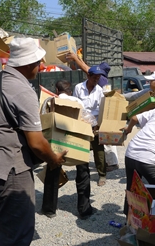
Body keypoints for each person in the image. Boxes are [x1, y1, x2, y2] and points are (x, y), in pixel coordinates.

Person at [0, 37, 67, 246]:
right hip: (8, 170)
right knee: (18, 235)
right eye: (38, 63)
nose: (40, 67)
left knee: (4, 226)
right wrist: (54, 160)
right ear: (30, 64)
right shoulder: (23, 91)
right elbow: (37, 144)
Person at [42, 80, 96, 220]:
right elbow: (86, 120)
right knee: (83, 173)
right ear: (70, 91)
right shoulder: (78, 102)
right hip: (77, 144)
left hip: (57, 144)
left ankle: (49, 209)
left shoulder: (50, 101)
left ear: (56, 89)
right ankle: (84, 209)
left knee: (52, 172)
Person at [73, 65, 107, 186]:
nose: (96, 80)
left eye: (98, 78)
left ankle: (102, 174)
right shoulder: (78, 88)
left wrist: (98, 125)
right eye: (94, 78)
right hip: (82, 123)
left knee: (99, 152)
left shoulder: (100, 90)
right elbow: (75, 104)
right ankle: (83, 174)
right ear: (88, 76)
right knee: (82, 149)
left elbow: (102, 109)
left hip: (95, 124)